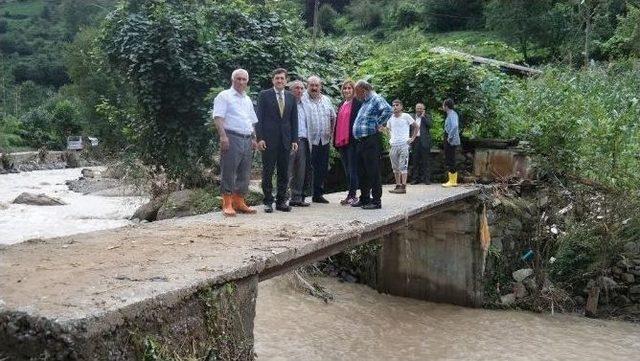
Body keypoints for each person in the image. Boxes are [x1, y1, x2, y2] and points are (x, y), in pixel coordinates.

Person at [211, 68, 259, 217]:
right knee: (229, 170)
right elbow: (218, 117)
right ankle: (227, 203)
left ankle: (239, 201)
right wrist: (223, 137)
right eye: (238, 79)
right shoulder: (224, 96)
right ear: (232, 80)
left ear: (247, 82)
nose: (241, 82)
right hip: (231, 136)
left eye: (244, 79)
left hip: (246, 137)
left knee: (245, 172)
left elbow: (251, 120)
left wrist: (254, 138)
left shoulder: (247, 99)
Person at [255, 68, 299, 213]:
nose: (279, 81)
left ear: (286, 80)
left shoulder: (291, 97)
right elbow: (259, 118)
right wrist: (259, 138)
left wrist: (294, 139)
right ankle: (268, 201)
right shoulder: (264, 95)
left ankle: (281, 201)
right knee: (268, 171)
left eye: (282, 78)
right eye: (277, 78)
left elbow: (294, 120)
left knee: (284, 172)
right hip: (268, 140)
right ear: (272, 80)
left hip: (286, 140)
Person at [351, 80, 392, 209]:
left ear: (363, 90)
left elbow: (388, 110)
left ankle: (376, 201)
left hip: (371, 140)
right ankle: (364, 198)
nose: (355, 95)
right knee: (362, 171)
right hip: (361, 141)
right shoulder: (365, 102)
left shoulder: (375, 98)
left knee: (373, 171)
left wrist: (378, 124)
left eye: (356, 92)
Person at [303, 76, 336, 204]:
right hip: (308, 140)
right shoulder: (302, 99)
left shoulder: (326, 100)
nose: (314, 88)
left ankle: (318, 194)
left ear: (320, 87)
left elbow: (333, 117)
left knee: (321, 168)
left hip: (324, 139)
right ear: (308, 86)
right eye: (312, 85)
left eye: (317, 86)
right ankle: (302, 195)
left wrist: (332, 133)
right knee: (305, 168)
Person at [333, 79, 362, 205]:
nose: (347, 90)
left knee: (352, 169)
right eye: (345, 88)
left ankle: (353, 195)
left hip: (352, 140)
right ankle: (350, 194)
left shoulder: (357, 103)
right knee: (346, 169)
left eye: (349, 88)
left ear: (354, 90)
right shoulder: (341, 104)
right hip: (341, 141)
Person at [384, 99, 417, 194]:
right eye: (393, 105)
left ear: (401, 106)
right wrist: (382, 129)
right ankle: (398, 185)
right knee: (395, 167)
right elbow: (387, 131)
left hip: (403, 144)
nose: (395, 107)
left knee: (403, 166)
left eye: (397, 105)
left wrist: (413, 138)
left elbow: (416, 126)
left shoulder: (406, 116)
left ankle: (403, 186)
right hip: (393, 145)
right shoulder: (390, 118)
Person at [288, 80, 312, 207]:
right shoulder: (287, 103)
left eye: (302, 88)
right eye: (297, 88)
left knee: (300, 170)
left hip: (303, 140)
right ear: (291, 90)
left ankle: (296, 198)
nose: (300, 91)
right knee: (286, 169)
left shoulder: (305, 105)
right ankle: (280, 197)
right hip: (289, 140)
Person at [410, 102, 432, 185]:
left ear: (423, 109)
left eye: (420, 108)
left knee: (425, 161)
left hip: (424, 141)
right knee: (415, 161)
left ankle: (427, 179)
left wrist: (423, 117)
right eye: (417, 108)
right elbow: (409, 129)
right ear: (415, 109)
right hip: (415, 141)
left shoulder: (427, 117)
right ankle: (415, 179)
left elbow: (430, 125)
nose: (419, 110)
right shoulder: (412, 117)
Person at [442, 98, 460, 187]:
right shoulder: (450, 114)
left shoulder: (452, 114)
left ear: (446, 106)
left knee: (451, 159)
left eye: (443, 105)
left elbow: (455, 125)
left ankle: (453, 181)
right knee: (449, 158)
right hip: (449, 138)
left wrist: (449, 137)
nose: (442, 107)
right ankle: (452, 180)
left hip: (450, 140)